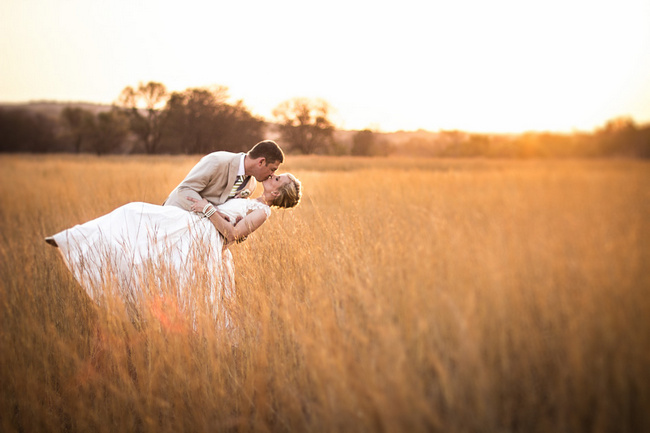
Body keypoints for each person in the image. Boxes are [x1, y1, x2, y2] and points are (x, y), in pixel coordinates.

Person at [45, 172, 302, 327]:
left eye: (278, 178)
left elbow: (233, 234)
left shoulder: (262, 212)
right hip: (194, 224)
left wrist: (207, 209)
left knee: (144, 240)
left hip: (201, 236)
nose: (272, 177)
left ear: (279, 191)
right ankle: (73, 238)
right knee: (134, 213)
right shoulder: (251, 198)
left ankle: (136, 308)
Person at [163, 139, 284, 211]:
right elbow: (185, 190)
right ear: (261, 162)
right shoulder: (217, 161)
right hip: (175, 214)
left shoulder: (251, 185)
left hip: (199, 233)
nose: (272, 175)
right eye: (272, 169)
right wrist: (211, 212)